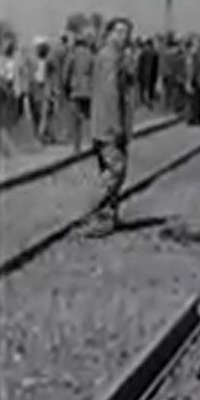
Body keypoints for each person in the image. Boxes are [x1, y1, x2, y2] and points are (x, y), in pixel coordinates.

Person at [84, 17, 133, 237]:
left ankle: (106, 219)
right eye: (121, 32)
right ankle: (93, 211)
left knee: (108, 171)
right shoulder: (111, 57)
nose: (125, 37)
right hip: (109, 124)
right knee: (117, 170)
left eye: (127, 33)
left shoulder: (110, 56)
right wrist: (117, 126)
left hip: (103, 123)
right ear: (110, 32)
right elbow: (111, 94)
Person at [66, 28, 95, 153]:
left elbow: (66, 72)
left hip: (75, 89)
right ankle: (92, 142)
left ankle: (77, 147)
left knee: (75, 120)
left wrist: (65, 86)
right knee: (90, 118)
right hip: (88, 89)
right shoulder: (90, 55)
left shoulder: (72, 55)